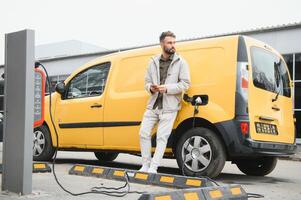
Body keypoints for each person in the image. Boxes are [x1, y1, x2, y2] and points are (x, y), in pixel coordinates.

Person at [139, 31, 191, 173]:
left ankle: (154, 167)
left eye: (174, 42)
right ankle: (145, 165)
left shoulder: (181, 62)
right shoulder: (152, 62)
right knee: (143, 133)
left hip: (170, 107)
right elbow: (146, 82)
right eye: (169, 43)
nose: (172, 45)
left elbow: (185, 84)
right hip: (153, 105)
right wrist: (151, 88)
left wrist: (166, 89)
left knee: (162, 138)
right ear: (161, 44)